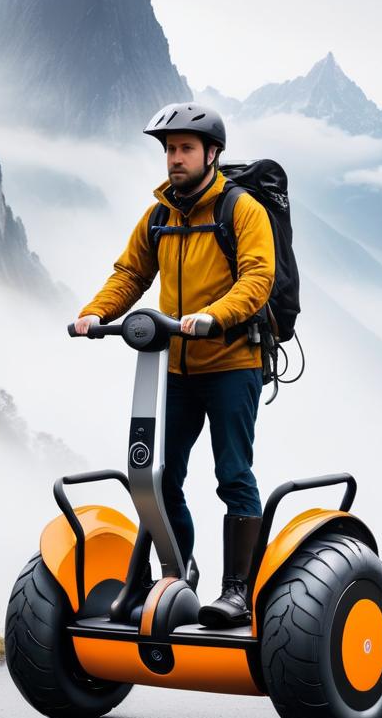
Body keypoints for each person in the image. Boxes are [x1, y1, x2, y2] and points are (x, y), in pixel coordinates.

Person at [73, 103, 275, 628]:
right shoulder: (160, 216)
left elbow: (257, 279)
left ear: (212, 154)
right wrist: (95, 313)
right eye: (168, 149)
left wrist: (212, 317)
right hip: (178, 369)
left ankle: (237, 592)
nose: (174, 158)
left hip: (233, 363)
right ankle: (180, 573)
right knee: (163, 478)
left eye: (185, 148)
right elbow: (130, 272)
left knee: (233, 475)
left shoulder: (241, 211)